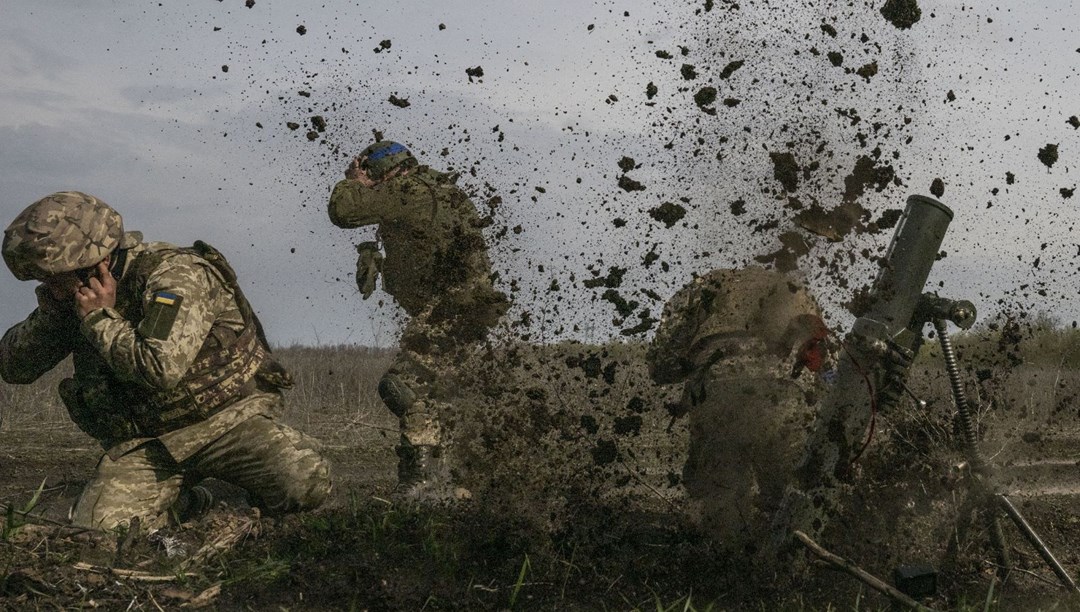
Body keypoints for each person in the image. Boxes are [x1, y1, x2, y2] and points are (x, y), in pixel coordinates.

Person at [0, 191, 331, 531]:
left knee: (305, 482)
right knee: (102, 528)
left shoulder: (175, 276)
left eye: (57, 278)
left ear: (95, 262)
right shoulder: (75, 296)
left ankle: (229, 495)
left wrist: (100, 319)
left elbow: (160, 367)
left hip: (227, 423)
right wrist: (55, 316)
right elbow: (13, 368)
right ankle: (193, 501)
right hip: (150, 444)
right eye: (46, 282)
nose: (52, 288)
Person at [328, 140, 509, 499]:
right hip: (466, 310)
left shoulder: (408, 188)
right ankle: (462, 481)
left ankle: (423, 481)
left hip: (453, 310)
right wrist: (375, 257)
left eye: (373, 177)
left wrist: (352, 181)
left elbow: (344, 211)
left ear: (385, 171)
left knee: (403, 385)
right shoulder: (440, 188)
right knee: (441, 396)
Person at [647, 267, 832, 545]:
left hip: (719, 390)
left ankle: (724, 568)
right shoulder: (795, 289)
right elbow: (827, 367)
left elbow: (661, 362)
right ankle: (794, 568)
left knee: (720, 502)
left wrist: (689, 366)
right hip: (787, 397)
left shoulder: (705, 287)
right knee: (795, 498)